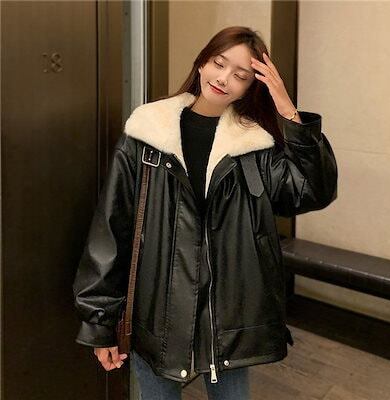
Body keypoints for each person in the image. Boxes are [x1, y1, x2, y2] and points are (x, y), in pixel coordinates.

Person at [72, 26, 338, 399]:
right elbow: (111, 232)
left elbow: (313, 191)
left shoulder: (253, 146)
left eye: (240, 75)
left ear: (250, 87)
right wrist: (100, 324)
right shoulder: (147, 134)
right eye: (219, 63)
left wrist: (289, 112)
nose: (224, 78)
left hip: (226, 321)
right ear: (202, 62)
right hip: (156, 315)